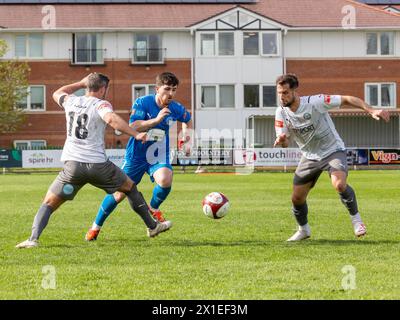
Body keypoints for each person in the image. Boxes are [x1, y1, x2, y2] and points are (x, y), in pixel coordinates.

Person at [16, 73, 172, 248]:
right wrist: (136, 134)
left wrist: (81, 83)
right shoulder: (101, 104)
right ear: (103, 89)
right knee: (130, 187)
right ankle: (152, 227)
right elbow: (112, 119)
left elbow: (57, 92)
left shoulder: (71, 101)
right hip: (98, 166)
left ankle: (33, 239)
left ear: (86, 86)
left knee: (49, 203)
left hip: (72, 168)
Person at [273, 74, 390, 242]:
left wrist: (371, 110)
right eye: (279, 93)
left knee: (339, 184)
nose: (282, 97)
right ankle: (303, 230)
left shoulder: (315, 102)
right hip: (309, 157)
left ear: (294, 91)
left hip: (332, 150)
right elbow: (284, 142)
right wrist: (283, 140)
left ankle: (357, 220)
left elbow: (347, 99)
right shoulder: (280, 113)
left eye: (285, 93)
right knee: (296, 198)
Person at [85, 72, 192, 241]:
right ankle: (95, 227)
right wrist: (155, 121)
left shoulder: (176, 107)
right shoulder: (143, 102)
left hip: (158, 154)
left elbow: (187, 118)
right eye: (167, 89)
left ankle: (153, 209)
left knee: (165, 179)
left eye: (174, 90)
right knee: (119, 194)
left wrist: (185, 135)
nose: (170, 94)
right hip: (136, 156)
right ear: (157, 89)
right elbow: (133, 125)